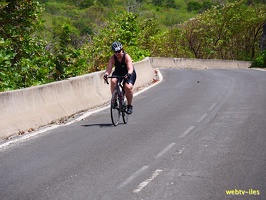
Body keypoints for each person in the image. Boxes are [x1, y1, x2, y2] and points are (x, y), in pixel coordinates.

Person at [104, 41, 137, 114]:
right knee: (113, 81)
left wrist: (128, 74)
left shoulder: (126, 56)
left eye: (119, 51)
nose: (117, 53)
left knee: (127, 87)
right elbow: (108, 69)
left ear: (122, 50)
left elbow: (130, 68)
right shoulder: (112, 58)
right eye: (115, 52)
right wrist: (106, 74)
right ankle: (114, 100)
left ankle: (129, 105)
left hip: (128, 72)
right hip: (118, 72)